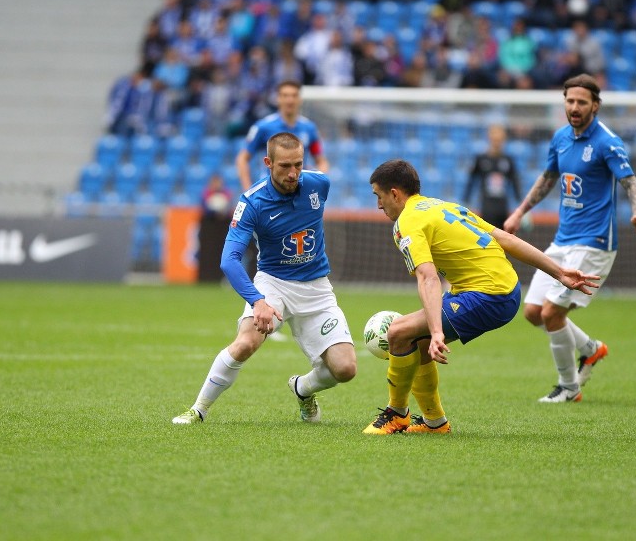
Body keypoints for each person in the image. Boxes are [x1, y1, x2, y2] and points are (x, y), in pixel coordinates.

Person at [361, 159, 599, 435]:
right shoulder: (444, 206)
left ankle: (397, 414)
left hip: (487, 295)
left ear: (394, 194)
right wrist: (559, 273)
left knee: (398, 332)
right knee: (418, 337)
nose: (379, 205)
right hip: (506, 289)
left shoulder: (407, 222)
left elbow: (428, 277)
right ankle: (434, 422)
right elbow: (504, 238)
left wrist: (437, 330)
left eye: (378, 196)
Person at [173, 132, 356, 425]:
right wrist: (258, 301)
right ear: (268, 163)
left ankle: (303, 388)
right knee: (246, 343)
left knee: (346, 368)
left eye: (298, 164)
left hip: (317, 287)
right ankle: (198, 409)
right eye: (285, 166)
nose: (293, 172)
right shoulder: (253, 202)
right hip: (274, 284)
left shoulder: (319, 184)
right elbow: (228, 260)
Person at [504, 73, 636, 403]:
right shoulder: (560, 138)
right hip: (564, 239)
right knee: (532, 311)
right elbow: (547, 179)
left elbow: (631, 183)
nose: (574, 107)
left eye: (581, 102)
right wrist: (519, 213)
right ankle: (590, 349)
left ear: (595, 106)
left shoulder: (607, 142)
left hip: (594, 242)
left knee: (551, 314)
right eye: (570, 100)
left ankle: (569, 388)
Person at [235, 80, 329, 192]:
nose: (290, 100)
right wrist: (248, 190)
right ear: (278, 99)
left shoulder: (309, 128)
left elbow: (321, 160)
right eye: (285, 95)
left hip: (298, 192)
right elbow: (242, 158)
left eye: (294, 95)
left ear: (300, 99)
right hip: (270, 193)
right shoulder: (263, 127)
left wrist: (315, 180)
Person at [462, 125, 522, 228]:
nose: (497, 143)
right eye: (495, 139)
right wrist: (466, 200)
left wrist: (520, 203)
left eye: (499, 140)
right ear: (489, 139)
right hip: (487, 205)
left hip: (502, 205)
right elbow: (471, 181)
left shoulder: (508, 160)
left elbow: (515, 181)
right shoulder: (481, 159)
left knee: (504, 235)